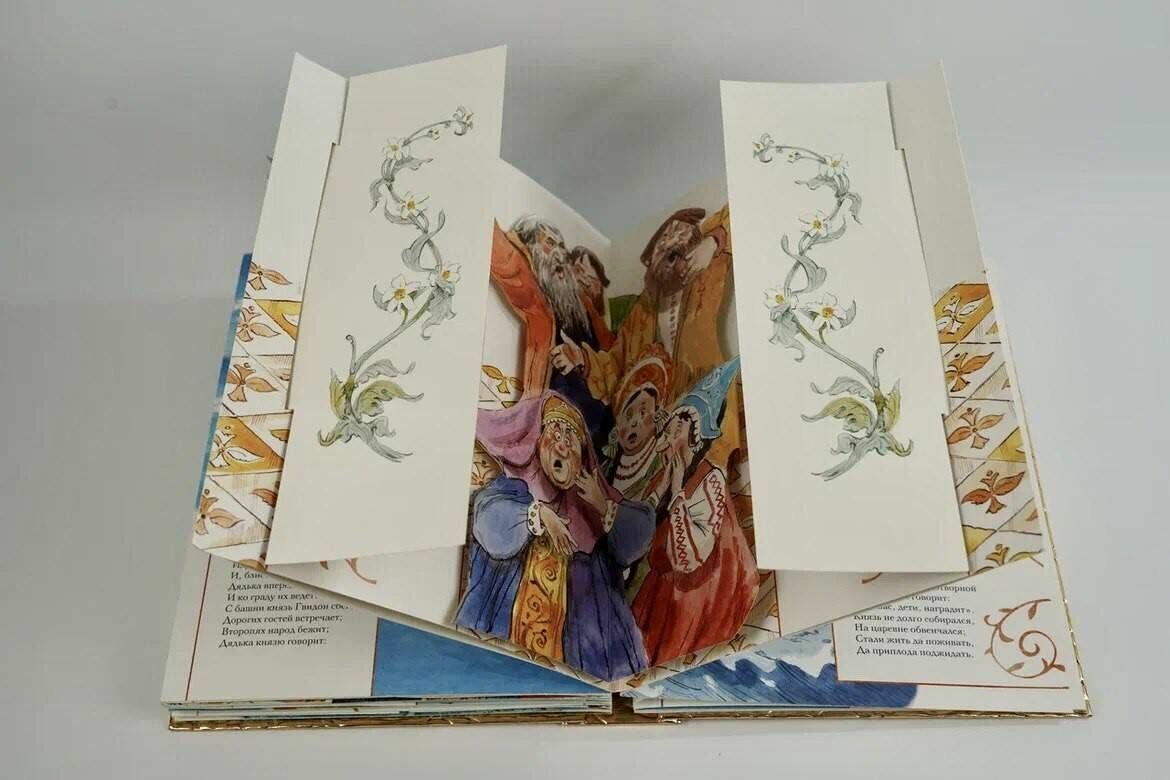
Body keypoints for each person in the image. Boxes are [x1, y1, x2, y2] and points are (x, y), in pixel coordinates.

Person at [456, 392, 655, 681]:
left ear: (582, 459)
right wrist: (539, 516)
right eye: (555, 434)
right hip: (505, 656)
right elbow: (488, 522)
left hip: (581, 667)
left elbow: (637, 539)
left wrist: (603, 504)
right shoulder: (514, 490)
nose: (563, 445)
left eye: (572, 440)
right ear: (537, 445)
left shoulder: (593, 516)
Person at [548, 206, 743, 471]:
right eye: (665, 239)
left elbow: (740, 207)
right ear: (651, 258)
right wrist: (582, 358)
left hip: (712, 408)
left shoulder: (705, 279)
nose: (673, 242)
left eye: (683, 237)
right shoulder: (641, 313)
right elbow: (616, 366)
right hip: (656, 433)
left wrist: (713, 241)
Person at [631, 357, 759, 667]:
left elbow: (689, 557)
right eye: (671, 422)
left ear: (695, 434)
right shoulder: (661, 477)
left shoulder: (710, 479)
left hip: (696, 595)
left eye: (679, 423)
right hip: (660, 590)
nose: (669, 428)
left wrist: (676, 491)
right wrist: (664, 487)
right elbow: (638, 535)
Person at [488, 218, 614, 453]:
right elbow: (501, 254)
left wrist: (583, 358)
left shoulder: (579, 299)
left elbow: (611, 347)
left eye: (561, 246)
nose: (559, 253)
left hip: (600, 416)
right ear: (531, 249)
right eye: (549, 243)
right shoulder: (532, 287)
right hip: (556, 416)